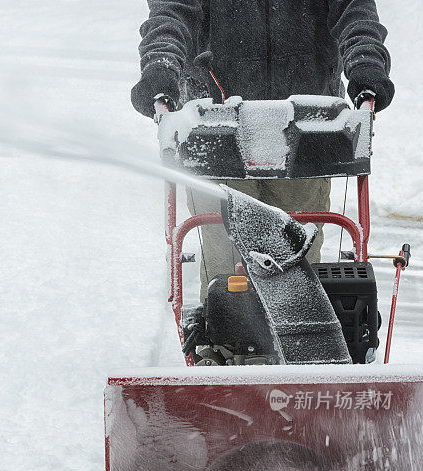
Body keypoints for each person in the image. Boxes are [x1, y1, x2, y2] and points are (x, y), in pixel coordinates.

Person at [130, 0, 394, 300]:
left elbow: (354, 10)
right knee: (226, 263)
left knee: (298, 258)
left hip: (306, 125)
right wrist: (159, 66)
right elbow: (171, 13)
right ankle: (224, 339)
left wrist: (366, 63)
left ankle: (304, 335)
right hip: (215, 124)